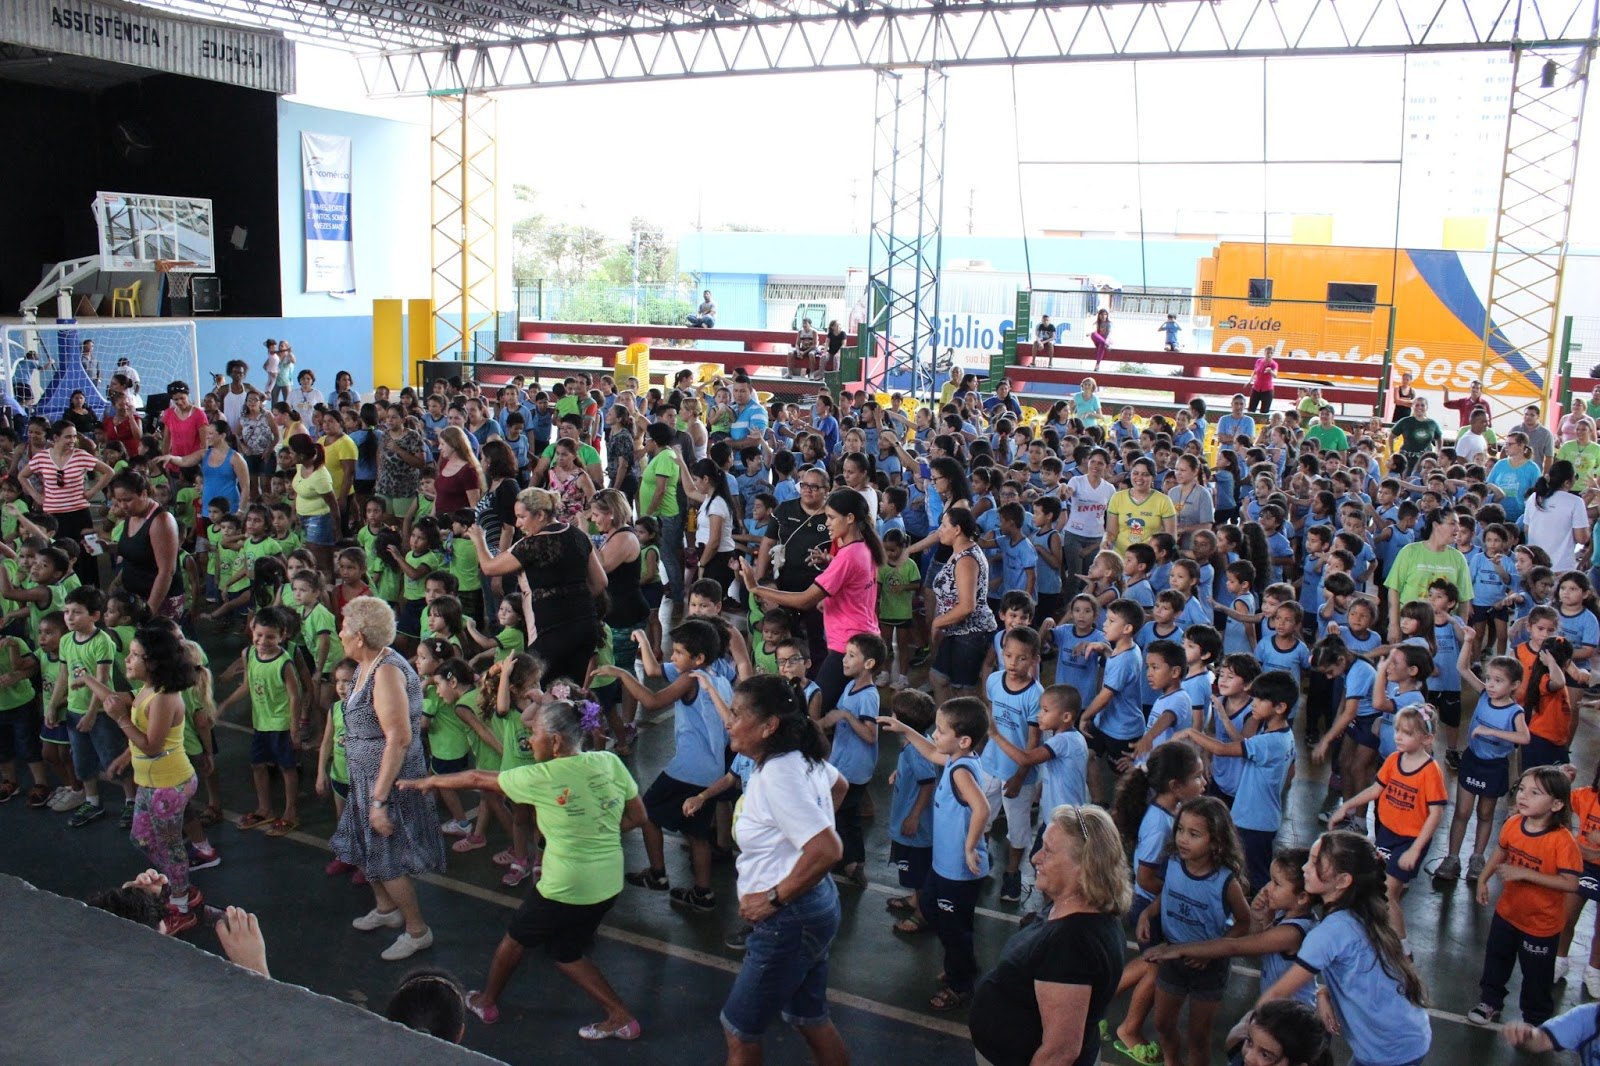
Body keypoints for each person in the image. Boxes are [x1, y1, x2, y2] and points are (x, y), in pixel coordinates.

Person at [398, 698, 645, 1040]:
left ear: (556, 741)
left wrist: (429, 783)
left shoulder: (540, 775)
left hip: (564, 887)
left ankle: (486, 1002)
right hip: (607, 883)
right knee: (566, 952)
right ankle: (621, 1016)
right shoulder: (609, 761)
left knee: (514, 942)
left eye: (534, 733)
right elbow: (637, 817)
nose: (529, 740)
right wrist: (594, 829)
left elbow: (476, 777)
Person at [719, 673, 850, 1065]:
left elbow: (827, 849)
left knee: (739, 1030)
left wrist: (774, 898)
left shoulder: (777, 774)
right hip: (817, 904)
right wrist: (797, 845)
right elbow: (839, 786)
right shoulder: (798, 758)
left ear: (769, 725)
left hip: (789, 919)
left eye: (737, 714)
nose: (729, 721)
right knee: (809, 1017)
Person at [968, 805, 1129, 1066]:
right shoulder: (1075, 906)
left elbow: (1060, 1052)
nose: (1035, 858)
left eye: (1049, 852)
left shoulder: (1072, 945)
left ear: (1083, 866)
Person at [330, 595, 445, 961]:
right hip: (366, 776)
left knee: (388, 856)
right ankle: (385, 908)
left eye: (345, 627)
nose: (340, 633)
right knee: (365, 846)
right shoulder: (367, 664)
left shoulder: (387, 672)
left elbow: (399, 739)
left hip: (387, 782)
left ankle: (416, 929)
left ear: (360, 636)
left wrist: (379, 800)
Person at [82, 623, 204, 934]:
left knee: (170, 843)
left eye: (135, 655)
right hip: (151, 783)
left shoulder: (164, 698)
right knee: (141, 838)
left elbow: (150, 745)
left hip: (169, 784)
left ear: (153, 663)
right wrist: (86, 679)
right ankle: (178, 881)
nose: (128, 659)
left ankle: (180, 902)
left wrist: (120, 720)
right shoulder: (148, 690)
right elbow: (115, 699)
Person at [744, 488, 882, 711]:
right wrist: (828, 600)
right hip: (863, 637)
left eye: (831, 517)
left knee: (816, 709)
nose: (827, 523)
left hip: (848, 645)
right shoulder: (862, 547)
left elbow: (804, 600)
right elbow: (854, 591)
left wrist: (756, 588)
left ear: (849, 518)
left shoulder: (847, 556)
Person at [469, 487, 607, 684]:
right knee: (571, 691)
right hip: (584, 624)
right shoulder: (577, 535)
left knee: (542, 692)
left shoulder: (531, 544)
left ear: (540, 515)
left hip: (548, 629)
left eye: (522, 517)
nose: (517, 523)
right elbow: (601, 582)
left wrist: (479, 541)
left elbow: (490, 568)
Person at [25, 420, 114, 585]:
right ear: (56, 438)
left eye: (74, 437)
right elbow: (22, 476)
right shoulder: (42, 457)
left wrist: (91, 492)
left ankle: (90, 590)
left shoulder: (81, 455)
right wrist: (37, 496)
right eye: (68, 437)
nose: (72, 440)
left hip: (80, 513)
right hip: (55, 516)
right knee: (59, 555)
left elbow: (109, 472)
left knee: (88, 553)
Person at [109, 470, 184, 620]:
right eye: (118, 500)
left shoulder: (161, 521)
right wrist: (108, 548)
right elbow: (137, 549)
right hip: (136, 596)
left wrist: (150, 609)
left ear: (144, 494)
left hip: (158, 600)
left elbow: (166, 571)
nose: (122, 505)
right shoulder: (132, 514)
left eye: (127, 500)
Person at [158, 419, 248, 514]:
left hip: (229, 510)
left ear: (222, 435)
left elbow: (245, 487)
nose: (207, 437)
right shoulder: (204, 454)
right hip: (208, 509)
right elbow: (183, 461)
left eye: (211, 433)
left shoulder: (236, 458)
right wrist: (170, 457)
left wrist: (241, 511)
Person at [1522, 459, 1592, 573]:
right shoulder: (1576, 502)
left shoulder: (1534, 497)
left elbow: (1526, 529)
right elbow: (1582, 538)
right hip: (1561, 567)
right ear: (1567, 482)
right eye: (1576, 476)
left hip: (1535, 565)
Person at [288, 435, 339, 574]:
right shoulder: (301, 465)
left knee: (319, 562)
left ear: (301, 455)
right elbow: (298, 491)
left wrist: (336, 529)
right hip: (302, 517)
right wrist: (294, 513)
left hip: (319, 520)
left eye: (292, 452)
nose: (289, 455)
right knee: (306, 560)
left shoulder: (320, 477)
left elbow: (333, 505)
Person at [1105, 457, 1177, 554]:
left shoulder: (1163, 501)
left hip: (1150, 561)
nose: (1139, 478)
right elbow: (1111, 532)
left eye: (1145, 474)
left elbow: (1171, 537)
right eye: (1135, 473)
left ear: (1153, 477)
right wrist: (1105, 541)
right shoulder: (1117, 498)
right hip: (1121, 559)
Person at [1389, 396, 1442, 472]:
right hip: (1406, 460)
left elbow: (1439, 438)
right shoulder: (1405, 421)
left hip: (1425, 462)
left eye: (1422, 405)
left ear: (1426, 407)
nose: (1419, 407)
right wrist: (1392, 451)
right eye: (1417, 405)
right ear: (1412, 407)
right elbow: (1391, 436)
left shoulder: (1432, 423)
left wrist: (1438, 452)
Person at [1248, 346, 1279, 414]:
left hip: (1267, 390)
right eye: (1268, 352)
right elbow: (1255, 371)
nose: (1269, 354)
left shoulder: (1274, 364)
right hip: (1256, 388)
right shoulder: (1259, 361)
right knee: (1251, 409)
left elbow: (1275, 375)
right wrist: (1250, 380)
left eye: (1271, 353)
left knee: (1264, 411)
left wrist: (1270, 371)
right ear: (1265, 352)